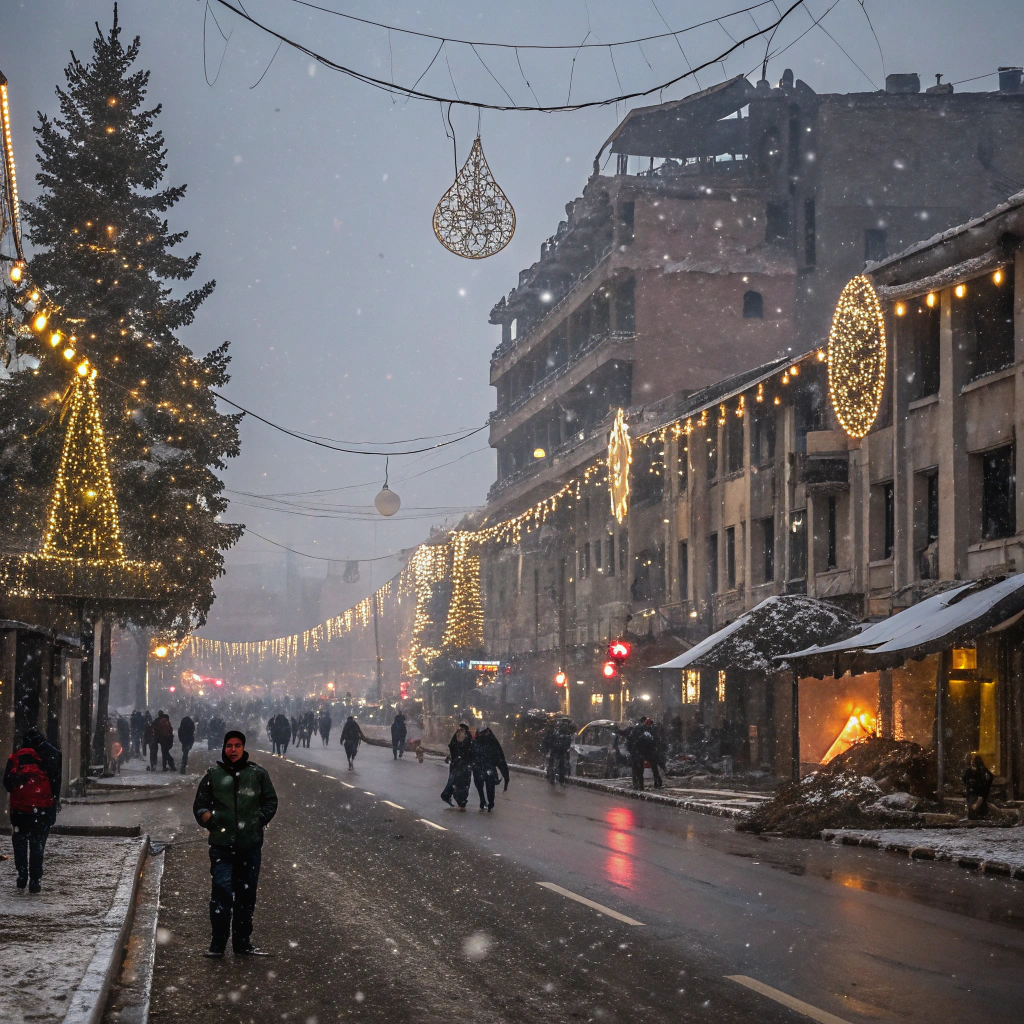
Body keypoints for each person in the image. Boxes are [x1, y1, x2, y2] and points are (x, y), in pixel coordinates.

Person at [193, 731, 278, 958]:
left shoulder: (257, 774)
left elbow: (270, 800)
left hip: (249, 847)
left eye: (237, 745)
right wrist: (208, 818)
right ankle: (217, 944)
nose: (233, 749)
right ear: (224, 747)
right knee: (221, 893)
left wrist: (257, 821)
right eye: (229, 745)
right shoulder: (213, 775)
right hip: (222, 847)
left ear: (243, 747)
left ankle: (242, 943)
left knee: (245, 896)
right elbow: (200, 805)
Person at [4, 736, 59, 893]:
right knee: (37, 845)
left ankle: (22, 875)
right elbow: (53, 785)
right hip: (40, 811)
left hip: (19, 811)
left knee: (20, 843)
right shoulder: (44, 759)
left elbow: (7, 784)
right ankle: (35, 880)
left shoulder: (15, 759)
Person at [471, 724, 509, 812]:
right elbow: (500, 758)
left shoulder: (486, 741)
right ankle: (486, 802)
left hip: (484, 768)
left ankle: (487, 802)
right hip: (484, 768)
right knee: (486, 786)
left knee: (486, 786)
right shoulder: (487, 741)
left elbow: (499, 758)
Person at [441, 723, 474, 809]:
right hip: (463, 764)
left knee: (455, 781)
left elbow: (453, 747)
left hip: (458, 763)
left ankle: (454, 798)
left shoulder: (458, 736)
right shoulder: (467, 737)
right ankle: (460, 801)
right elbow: (470, 750)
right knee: (460, 783)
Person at [542, 719, 573, 786]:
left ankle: (552, 778)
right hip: (561, 751)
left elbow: (548, 741)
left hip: (556, 750)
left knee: (553, 764)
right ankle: (561, 779)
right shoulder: (566, 732)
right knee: (561, 765)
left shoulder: (553, 731)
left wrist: (548, 749)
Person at [963, 754, 994, 819]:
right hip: (978, 793)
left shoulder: (976, 772)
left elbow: (965, 779)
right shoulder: (981, 771)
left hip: (976, 793)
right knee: (976, 810)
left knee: (975, 810)